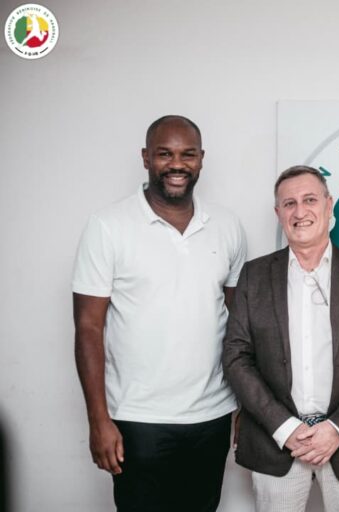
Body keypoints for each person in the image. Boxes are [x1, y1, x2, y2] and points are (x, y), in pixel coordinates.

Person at [73, 115, 247, 512]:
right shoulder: (108, 226)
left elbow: (240, 325)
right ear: (145, 157)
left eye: (187, 154)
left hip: (212, 414)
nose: (176, 164)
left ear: (201, 159)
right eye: (164, 154)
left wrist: (245, 406)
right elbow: (88, 327)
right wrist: (99, 420)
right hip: (137, 418)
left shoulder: (227, 225)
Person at [222, 166, 339, 512]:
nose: (299, 212)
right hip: (277, 443)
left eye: (309, 200)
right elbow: (235, 355)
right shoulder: (255, 275)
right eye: (289, 204)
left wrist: (337, 428)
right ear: (278, 214)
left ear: (329, 205)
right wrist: (284, 427)